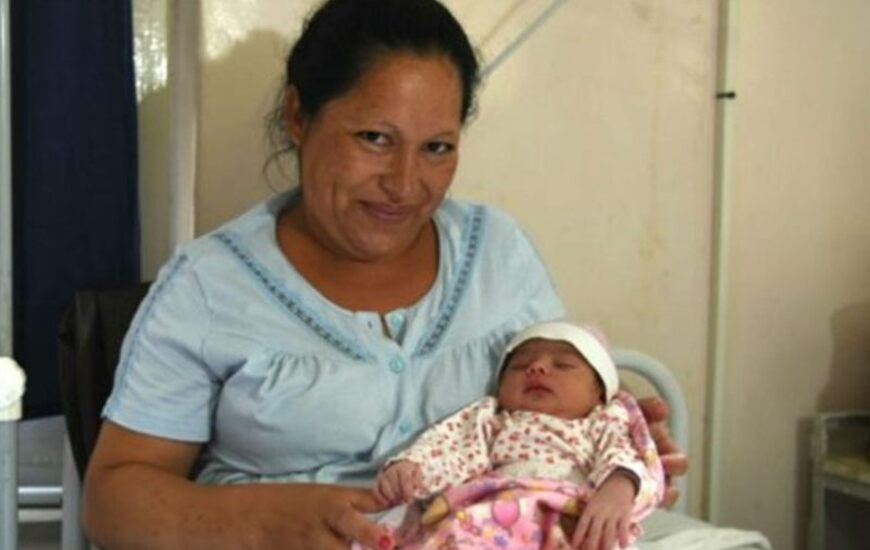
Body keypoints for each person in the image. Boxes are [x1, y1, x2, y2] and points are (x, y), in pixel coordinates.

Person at [82, 1, 687, 549]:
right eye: (374, 139)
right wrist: (267, 520)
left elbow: (552, 402)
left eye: (437, 148)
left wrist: (612, 451)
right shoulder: (209, 285)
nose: (404, 185)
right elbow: (112, 501)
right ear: (298, 115)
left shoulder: (499, 252)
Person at [372, 321, 663, 549]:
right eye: (520, 366)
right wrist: (414, 470)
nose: (537, 368)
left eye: (563, 365)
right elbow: (452, 447)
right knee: (455, 531)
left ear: (600, 392)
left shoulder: (604, 420)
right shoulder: (491, 418)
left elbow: (628, 456)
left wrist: (619, 488)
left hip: (574, 513)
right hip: (495, 511)